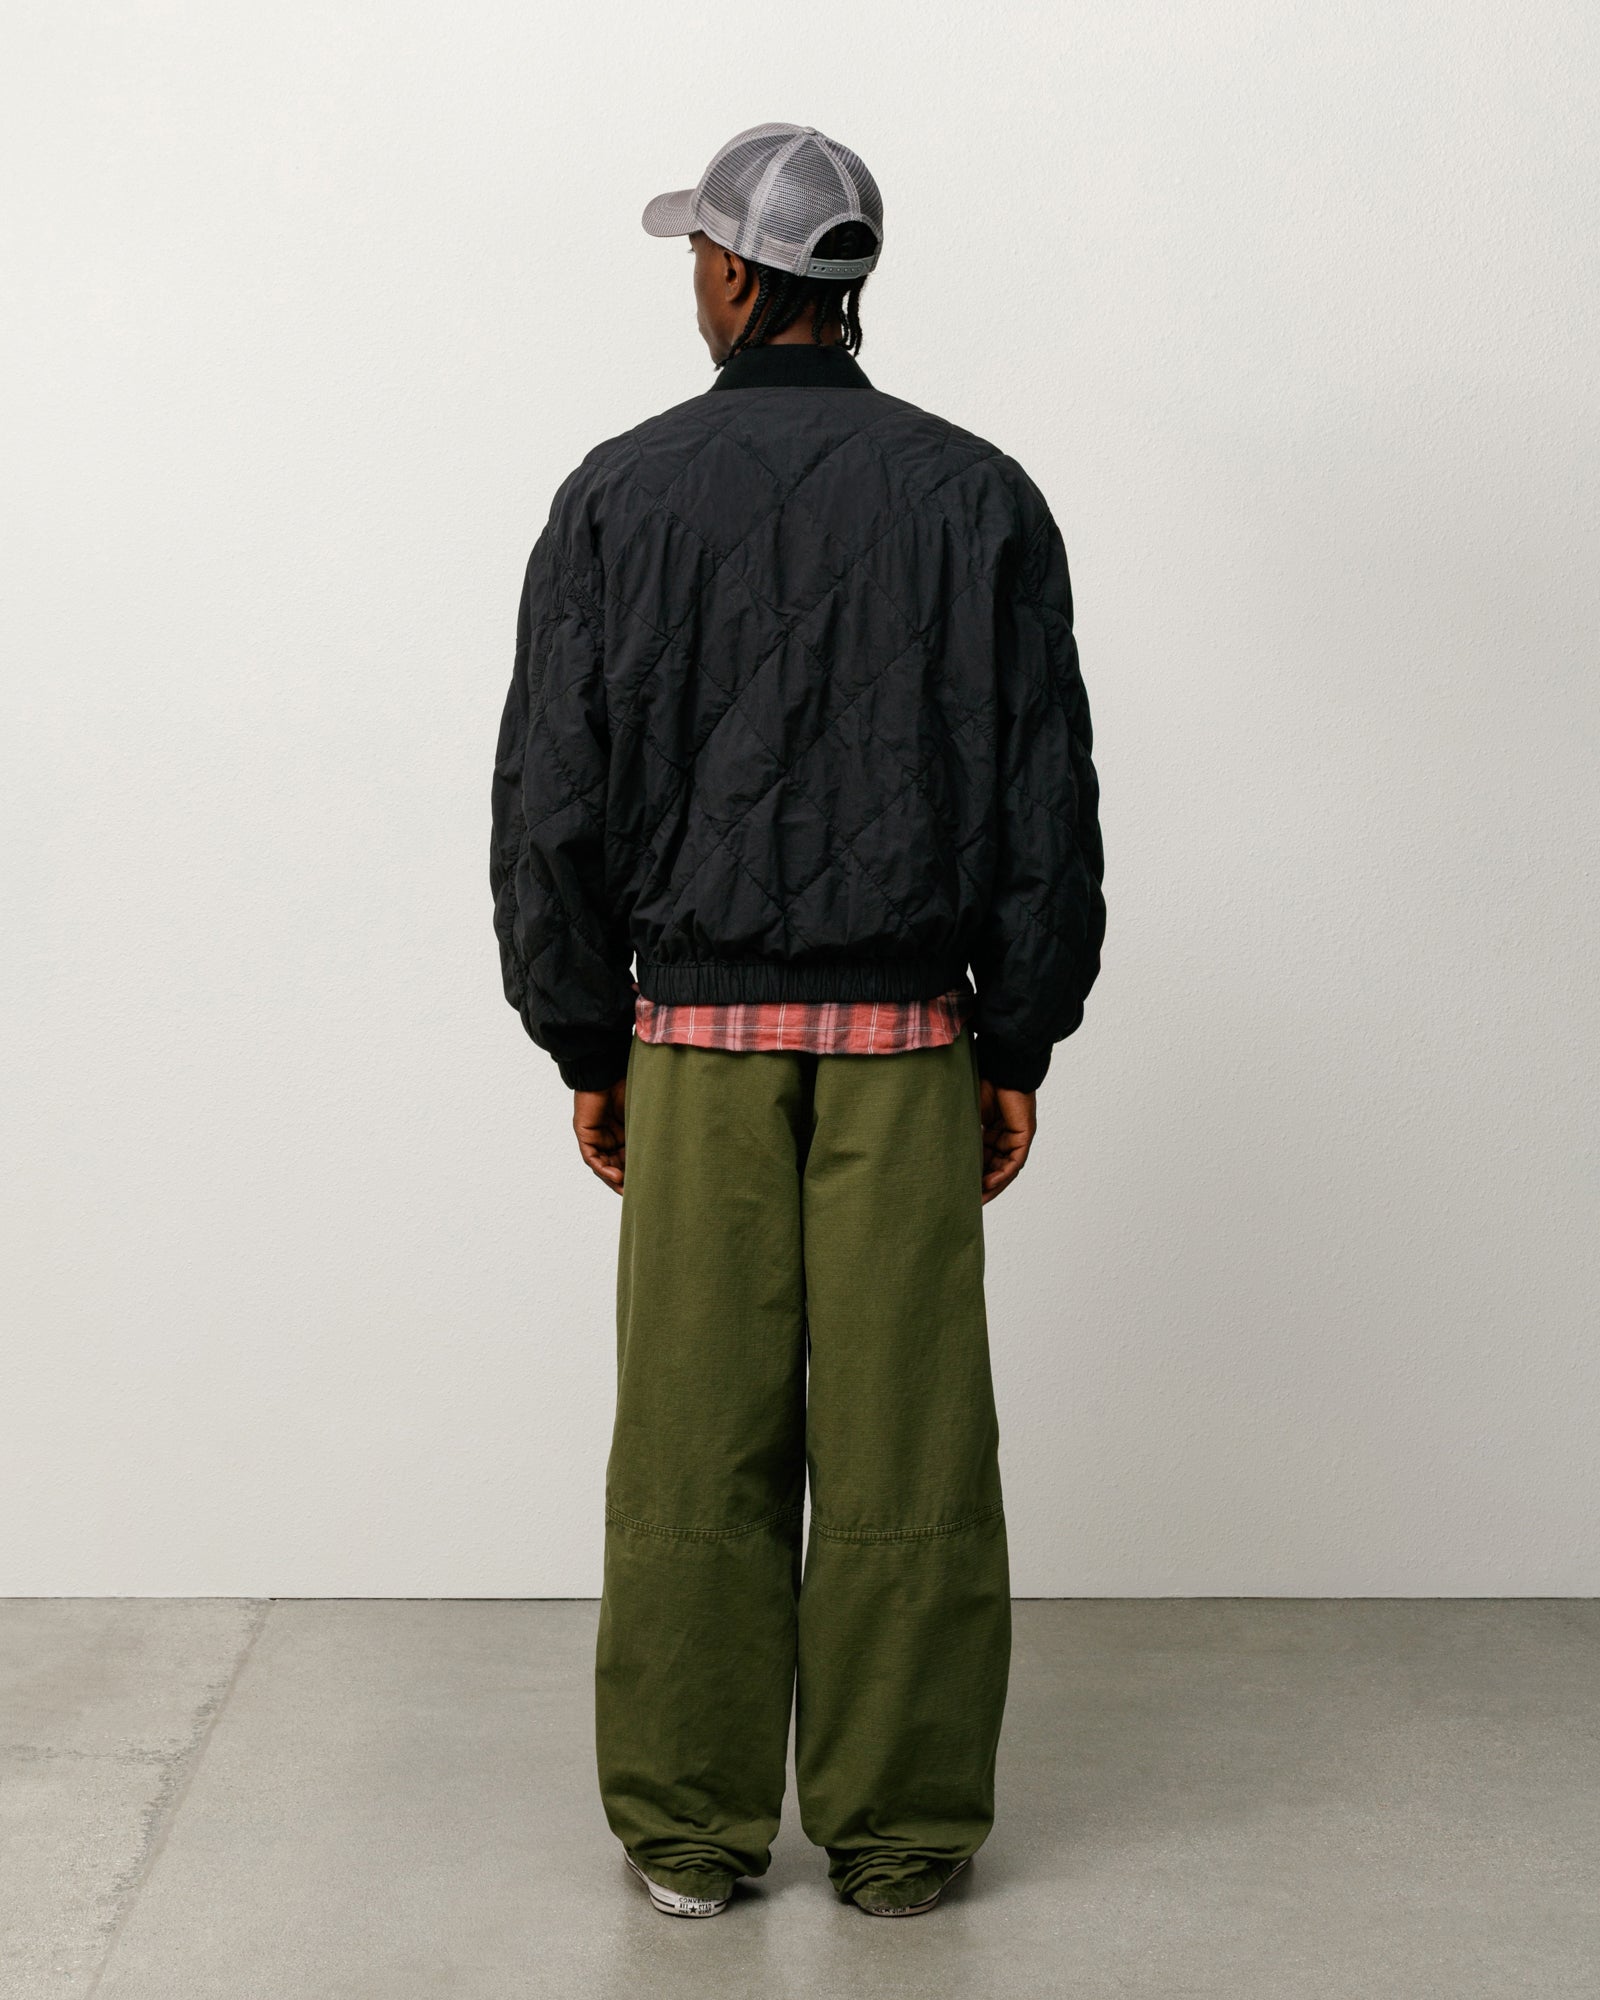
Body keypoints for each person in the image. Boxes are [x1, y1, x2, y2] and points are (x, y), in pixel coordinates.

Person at [490, 122, 1105, 1921]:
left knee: (696, 1444)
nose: (691, 278)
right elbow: (1044, 797)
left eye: (696, 254)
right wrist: (1017, 1042)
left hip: (691, 1049)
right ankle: (902, 1839)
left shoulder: (619, 494)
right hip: (911, 1047)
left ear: (737, 276)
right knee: (912, 1447)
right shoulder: (980, 497)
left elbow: (551, 799)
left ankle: (690, 1834)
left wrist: (585, 1041)